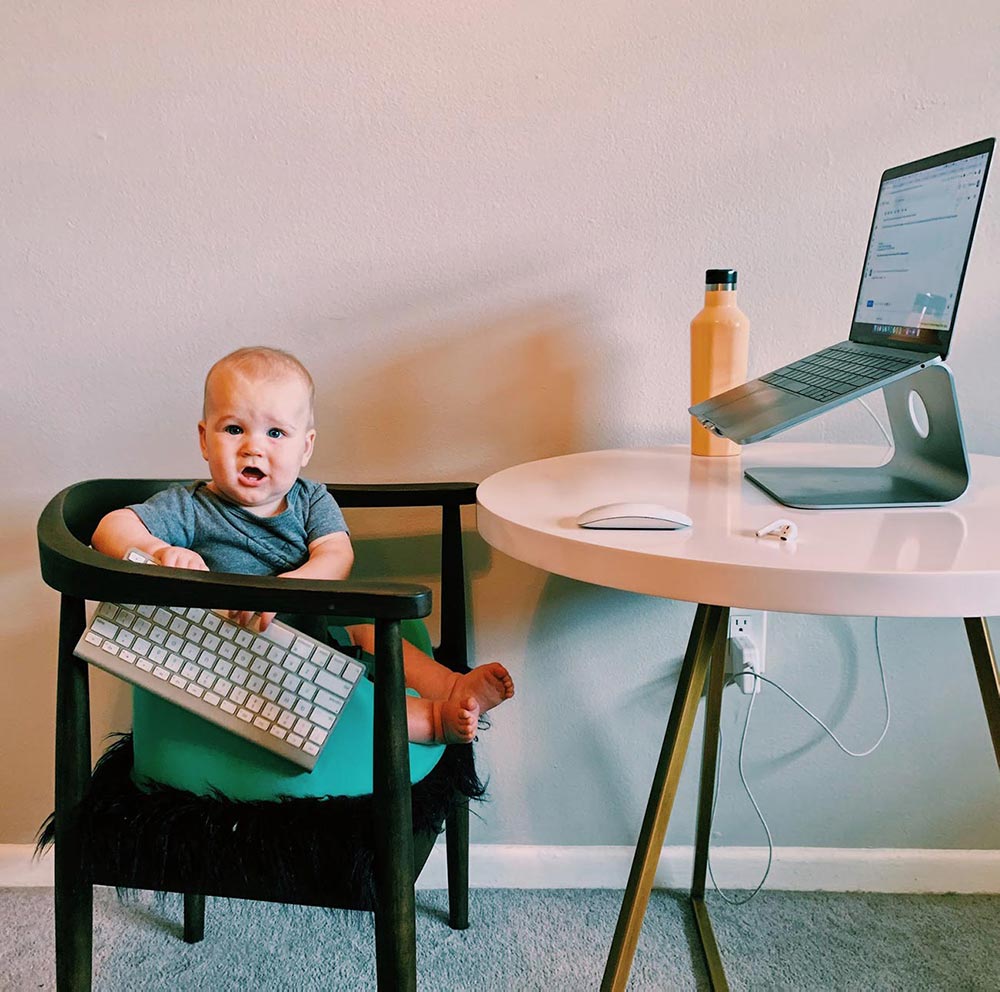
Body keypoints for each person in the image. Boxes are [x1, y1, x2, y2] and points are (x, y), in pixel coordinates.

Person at [92, 345, 514, 745]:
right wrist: (160, 551)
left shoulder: (311, 500)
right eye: (234, 428)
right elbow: (110, 527)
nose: (253, 446)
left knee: (367, 633)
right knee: (341, 700)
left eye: (276, 432)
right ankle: (434, 720)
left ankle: (454, 684)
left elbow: (337, 554)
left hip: (314, 636)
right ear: (205, 440)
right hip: (241, 662)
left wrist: (289, 586)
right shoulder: (190, 506)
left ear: (305, 447)